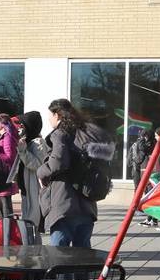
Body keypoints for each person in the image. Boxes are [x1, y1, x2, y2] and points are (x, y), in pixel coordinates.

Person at [37, 98, 115, 248]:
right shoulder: (85, 133)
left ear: (57, 115)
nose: (48, 119)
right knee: (83, 254)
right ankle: (82, 273)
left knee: (60, 254)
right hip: (87, 205)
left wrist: (41, 172)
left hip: (64, 205)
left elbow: (58, 162)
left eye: (49, 115)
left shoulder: (60, 134)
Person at [16, 111, 47, 242]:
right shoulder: (27, 141)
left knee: (32, 222)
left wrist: (23, 150)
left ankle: (35, 250)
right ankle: (30, 248)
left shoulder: (38, 142)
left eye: (23, 125)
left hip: (33, 188)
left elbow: (37, 164)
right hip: (25, 189)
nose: (20, 128)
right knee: (27, 221)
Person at [0, 113, 18, 218]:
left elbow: (10, 157)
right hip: (3, 177)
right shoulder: (4, 137)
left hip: (5, 178)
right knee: (3, 210)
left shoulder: (7, 137)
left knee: (6, 212)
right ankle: (5, 231)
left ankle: (8, 232)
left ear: (3, 124)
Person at [129, 128, 156, 226]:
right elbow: (132, 153)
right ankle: (147, 215)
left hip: (149, 170)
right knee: (142, 189)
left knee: (148, 191)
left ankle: (151, 217)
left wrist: (141, 139)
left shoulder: (151, 143)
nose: (142, 136)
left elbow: (143, 150)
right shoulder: (140, 143)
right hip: (141, 169)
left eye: (144, 135)